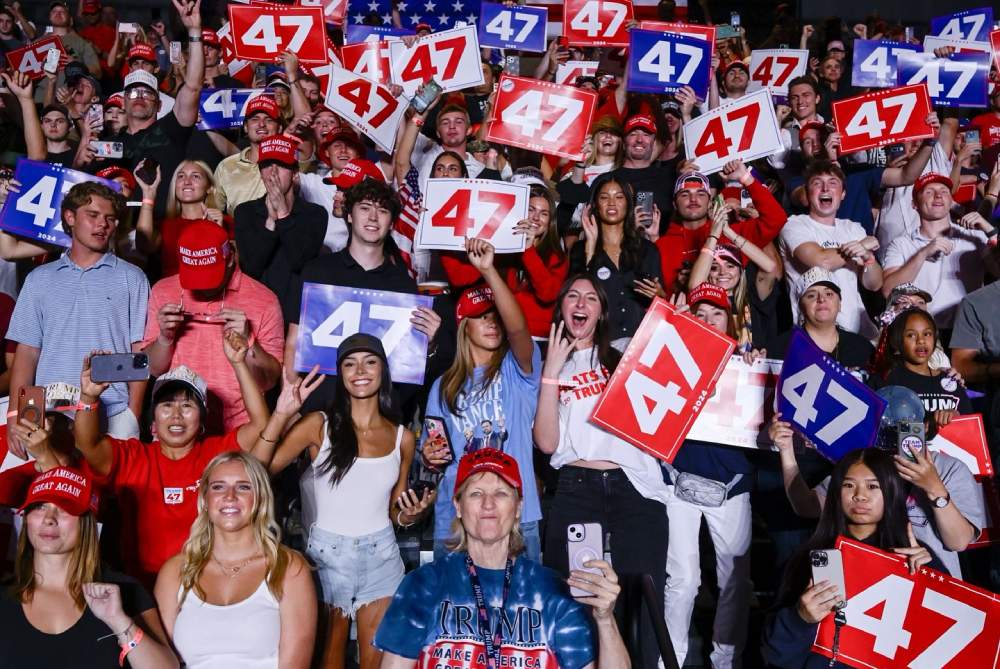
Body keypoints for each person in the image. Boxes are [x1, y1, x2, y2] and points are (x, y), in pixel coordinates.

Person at [255, 334, 433, 668]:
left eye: (370, 361)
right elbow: (254, 471)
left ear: (383, 370)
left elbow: (396, 512)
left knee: (378, 663)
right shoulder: (318, 425)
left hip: (382, 559)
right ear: (341, 373)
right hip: (326, 561)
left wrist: (410, 515)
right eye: (349, 364)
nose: (360, 370)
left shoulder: (402, 438)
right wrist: (280, 416)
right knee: (328, 660)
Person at [374, 448, 632, 669]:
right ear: (458, 507)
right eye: (476, 493)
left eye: (501, 493)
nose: (488, 504)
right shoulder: (422, 585)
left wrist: (605, 619)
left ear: (518, 508)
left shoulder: (552, 590)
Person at [534, 274, 670, 669]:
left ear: (601, 311)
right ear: (562, 308)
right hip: (577, 487)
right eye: (573, 296)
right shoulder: (549, 363)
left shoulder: (625, 352)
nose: (581, 303)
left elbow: (687, 354)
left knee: (643, 598)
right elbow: (546, 443)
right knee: (573, 594)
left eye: (590, 297)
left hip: (635, 486)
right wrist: (552, 371)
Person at [73, 329, 270, 587]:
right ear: (153, 420)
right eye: (167, 405)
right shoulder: (134, 457)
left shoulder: (217, 456)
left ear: (202, 420)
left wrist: (238, 363)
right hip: (142, 592)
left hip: (206, 586)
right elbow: (87, 444)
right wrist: (88, 396)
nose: (176, 415)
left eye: (187, 406)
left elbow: (261, 425)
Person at [762, 448, 947, 668]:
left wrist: (934, 581)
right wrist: (800, 619)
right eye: (848, 485)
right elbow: (775, 654)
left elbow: (945, 646)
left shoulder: (915, 557)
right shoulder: (810, 558)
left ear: (891, 491)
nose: (860, 495)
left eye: (873, 486)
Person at [283, 178, 450, 412]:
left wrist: (428, 344)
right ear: (349, 215)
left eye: (382, 211)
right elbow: (293, 341)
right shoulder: (317, 271)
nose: (373, 217)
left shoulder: (403, 285)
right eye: (364, 208)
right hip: (320, 409)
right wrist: (290, 398)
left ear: (391, 222)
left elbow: (407, 368)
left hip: (378, 415)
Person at [421, 240, 543, 560]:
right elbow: (435, 453)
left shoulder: (518, 370)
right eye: (481, 316)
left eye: (495, 316)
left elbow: (518, 330)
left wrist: (488, 271)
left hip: (516, 515)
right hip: (457, 518)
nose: (492, 322)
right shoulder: (443, 387)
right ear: (463, 326)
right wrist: (429, 456)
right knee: (457, 608)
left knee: (523, 609)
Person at [7, 182, 149, 453]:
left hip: (114, 413)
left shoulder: (132, 277)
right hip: (49, 415)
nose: (102, 225)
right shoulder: (39, 279)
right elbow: (27, 352)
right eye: (93, 215)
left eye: (109, 219)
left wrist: (133, 414)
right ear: (70, 218)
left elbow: (138, 351)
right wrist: (16, 414)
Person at [0, 466, 178, 668]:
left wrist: (120, 622)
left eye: (64, 508)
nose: (49, 519)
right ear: (26, 518)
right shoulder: (4, 595)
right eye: (39, 507)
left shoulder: (125, 592)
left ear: (87, 521)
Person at [662, 283, 754, 669]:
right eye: (699, 314)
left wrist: (756, 367)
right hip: (677, 481)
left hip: (731, 488)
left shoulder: (749, 366)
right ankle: (670, 659)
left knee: (734, 583)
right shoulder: (669, 360)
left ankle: (725, 661)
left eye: (716, 313)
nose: (708, 320)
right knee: (682, 581)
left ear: (730, 321)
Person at [155, 452, 316, 669]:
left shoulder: (288, 568)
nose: (229, 496)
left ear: (260, 499)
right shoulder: (175, 571)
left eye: (243, 487)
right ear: (204, 500)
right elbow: (159, 661)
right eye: (218, 487)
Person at [142, 221, 284, 433]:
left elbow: (269, 381)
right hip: (178, 428)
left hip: (239, 428)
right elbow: (154, 369)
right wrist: (165, 337)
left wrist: (249, 341)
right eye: (195, 276)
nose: (202, 287)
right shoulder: (164, 290)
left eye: (209, 276)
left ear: (230, 258)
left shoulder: (264, 300)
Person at [113, 0, 204, 217]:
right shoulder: (109, 144)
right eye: (133, 93)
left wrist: (194, 31)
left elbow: (192, 86)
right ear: (123, 101)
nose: (140, 98)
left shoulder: (170, 129)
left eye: (147, 93)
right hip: (118, 233)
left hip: (165, 229)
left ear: (160, 103)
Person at [778, 160, 884, 340]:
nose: (825, 188)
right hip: (813, 335)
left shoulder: (853, 228)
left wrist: (868, 257)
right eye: (817, 183)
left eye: (833, 183)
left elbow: (874, 284)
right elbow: (822, 262)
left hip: (857, 332)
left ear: (842, 194)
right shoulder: (794, 225)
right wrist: (862, 246)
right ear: (808, 192)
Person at [881, 173, 996, 330]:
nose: (938, 196)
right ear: (914, 203)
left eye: (944, 191)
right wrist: (922, 254)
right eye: (929, 192)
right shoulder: (901, 244)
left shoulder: (973, 236)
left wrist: (990, 231)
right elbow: (888, 290)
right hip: (925, 332)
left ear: (951, 201)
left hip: (969, 331)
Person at [234, 133, 327, 323]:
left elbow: (300, 262)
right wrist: (270, 221)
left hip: (298, 317)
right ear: (260, 173)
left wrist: (283, 214)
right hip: (257, 316)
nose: (273, 172)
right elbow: (252, 267)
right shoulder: (245, 212)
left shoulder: (315, 214)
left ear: (294, 174)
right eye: (267, 166)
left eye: (281, 166)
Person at [657, 163, 787, 291]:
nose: (693, 199)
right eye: (685, 194)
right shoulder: (661, 246)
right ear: (674, 204)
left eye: (701, 194)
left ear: (710, 203)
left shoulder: (731, 233)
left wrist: (745, 177)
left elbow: (777, 219)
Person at [569, 173, 663, 339]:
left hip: (640, 343)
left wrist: (660, 295)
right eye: (604, 197)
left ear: (628, 203)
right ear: (595, 205)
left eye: (619, 197)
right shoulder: (579, 250)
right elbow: (575, 301)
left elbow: (662, 303)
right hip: (599, 344)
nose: (611, 203)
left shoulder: (647, 250)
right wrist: (590, 248)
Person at [871, 308, 973, 421]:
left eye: (927, 334)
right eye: (911, 335)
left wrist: (955, 416)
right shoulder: (885, 380)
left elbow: (970, 426)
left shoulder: (951, 381)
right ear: (897, 340)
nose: (921, 340)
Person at [766, 267, 875, 371]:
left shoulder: (862, 348)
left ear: (839, 304)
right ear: (801, 307)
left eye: (829, 294)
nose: (821, 299)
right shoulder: (781, 349)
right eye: (811, 295)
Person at [138, 158, 230, 276]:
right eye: (181, 176)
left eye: (196, 176)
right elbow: (143, 245)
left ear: (209, 188)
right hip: (172, 292)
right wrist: (148, 194)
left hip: (213, 291)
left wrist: (218, 232)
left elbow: (233, 265)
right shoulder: (165, 226)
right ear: (174, 186)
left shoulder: (225, 222)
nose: (187, 181)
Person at [213, 96, 282, 215]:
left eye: (269, 120)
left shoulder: (288, 164)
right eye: (255, 119)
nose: (261, 124)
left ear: (279, 128)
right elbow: (213, 212)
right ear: (245, 127)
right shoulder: (226, 166)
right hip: (238, 232)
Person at [610, 111, 677, 219]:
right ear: (623, 142)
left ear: (653, 142)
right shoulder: (608, 180)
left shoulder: (669, 178)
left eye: (646, 135)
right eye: (633, 134)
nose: (640, 140)